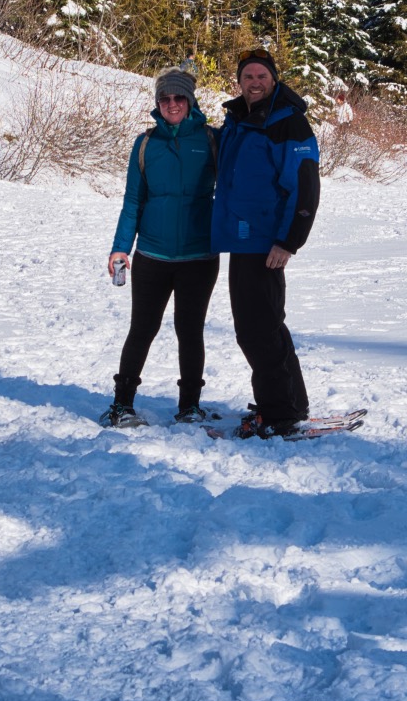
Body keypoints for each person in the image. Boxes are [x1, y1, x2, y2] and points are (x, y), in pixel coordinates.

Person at [100, 66, 219, 427]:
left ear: (190, 100)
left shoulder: (213, 140)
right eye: (164, 98)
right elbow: (133, 201)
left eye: (178, 97)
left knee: (190, 330)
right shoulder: (146, 143)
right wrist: (121, 247)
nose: (172, 104)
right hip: (152, 255)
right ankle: (122, 404)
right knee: (143, 328)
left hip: (200, 256)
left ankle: (190, 406)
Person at [211, 48, 320, 438]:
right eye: (247, 77)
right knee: (269, 325)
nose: (254, 83)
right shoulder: (240, 118)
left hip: (265, 243)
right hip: (244, 239)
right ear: (239, 82)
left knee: (255, 330)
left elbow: (304, 188)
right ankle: (292, 402)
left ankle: (277, 415)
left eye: (261, 76)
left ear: (273, 79)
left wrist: (288, 242)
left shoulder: (288, 122)